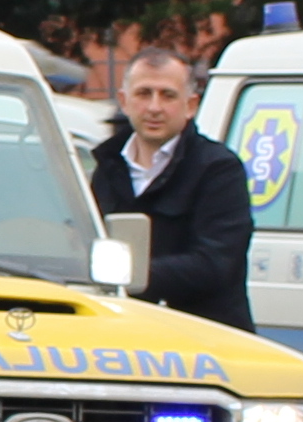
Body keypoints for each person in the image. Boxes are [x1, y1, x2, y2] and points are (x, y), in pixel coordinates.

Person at [91, 44, 252, 331]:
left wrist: (129, 274)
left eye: (167, 95)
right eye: (144, 94)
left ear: (191, 105)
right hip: (123, 332)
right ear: (124, 101)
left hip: (205, 341)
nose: (154, 107)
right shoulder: (105, 166)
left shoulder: (219, 169)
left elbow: (216, 263)